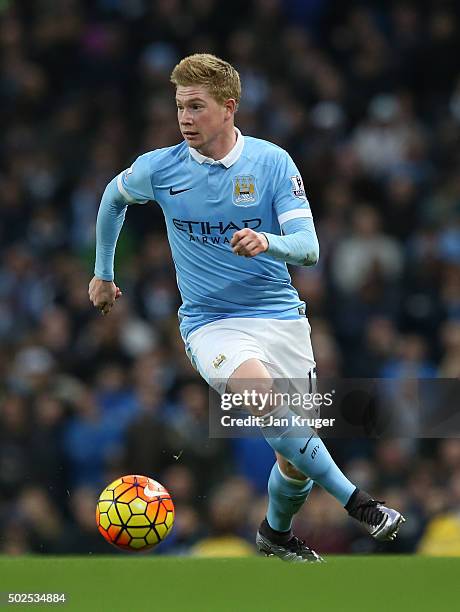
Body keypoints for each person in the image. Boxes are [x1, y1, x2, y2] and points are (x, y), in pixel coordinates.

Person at [89, 53, 405, 562]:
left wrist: (267, 241)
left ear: (229, 107)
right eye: (179, 107)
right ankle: (359, 502)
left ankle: (275, 534)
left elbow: (309, 247)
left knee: (295, 460)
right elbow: (112, 197)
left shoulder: (271, 163)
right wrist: (103, 273)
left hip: (280, 318)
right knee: (262, 398)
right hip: (211, 323)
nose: (184, 118)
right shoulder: (161, 168)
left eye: (196, 107)